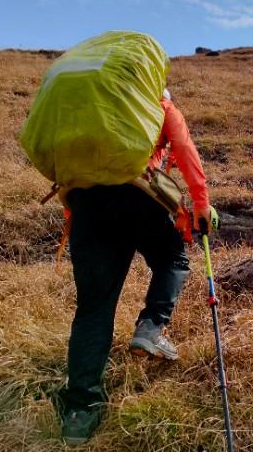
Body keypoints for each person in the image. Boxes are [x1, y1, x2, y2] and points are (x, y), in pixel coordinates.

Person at [58, 88, 210, 445]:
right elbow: (185, 151)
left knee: (93, 309)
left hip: (87, 205)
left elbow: (67, 164)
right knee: (172, 259)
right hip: (140, 195)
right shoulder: (159, 104)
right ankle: (150, 328)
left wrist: (74, 215)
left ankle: (80, 412)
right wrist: (201, 202)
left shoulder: (90, 109)